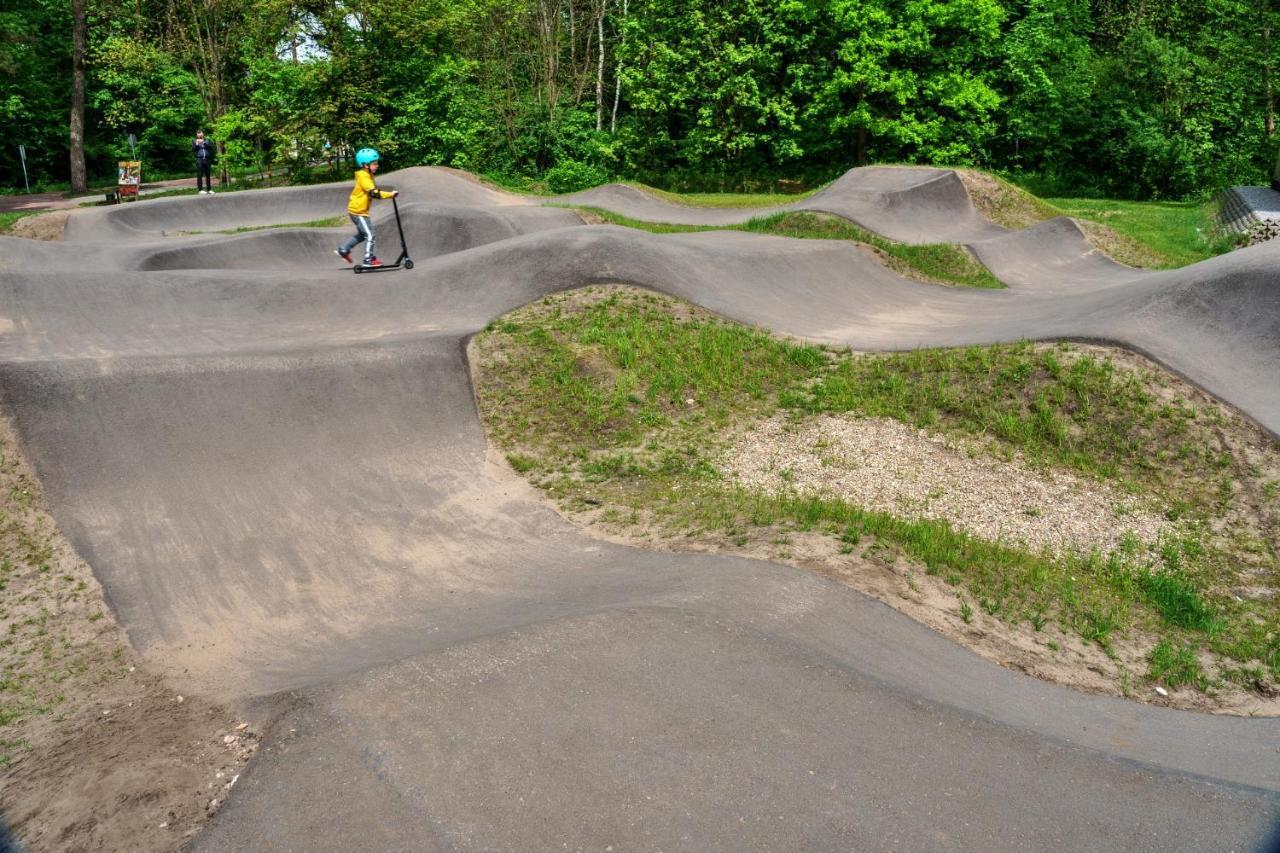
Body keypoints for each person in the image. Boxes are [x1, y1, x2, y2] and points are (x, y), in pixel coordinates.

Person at [335, 147, 397, 267]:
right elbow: (374, 193)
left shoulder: (368, 174)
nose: (377, 165)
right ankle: (368, 260)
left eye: (377, 163)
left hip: (359, 211)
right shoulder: (363, 176)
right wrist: (390, 195)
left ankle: (344, 249)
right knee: (370, 235)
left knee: (362, 235)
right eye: (374, 164)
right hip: (358, 211)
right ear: (365, 165)